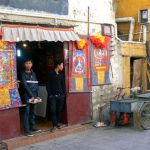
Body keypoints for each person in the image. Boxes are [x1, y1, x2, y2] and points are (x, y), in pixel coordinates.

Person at [21, 58, 41, 136]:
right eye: (26, 63)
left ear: (32, 64)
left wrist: (37, 95)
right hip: (27, 96)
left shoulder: (34, 73)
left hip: (34, 95)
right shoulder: (22, 74)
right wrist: (31, 96)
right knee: (26, 112)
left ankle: (32, 127)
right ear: (24, 64)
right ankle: (26, 130)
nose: (28, 64)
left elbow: (36, 84)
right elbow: (25, 85)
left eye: (29, 63)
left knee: (33, 112)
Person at [46, 60, 65, 132]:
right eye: (62, 65)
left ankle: (57, 123)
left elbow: (63, 85)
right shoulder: (50, 74)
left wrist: (63, 94)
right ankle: (54, 125)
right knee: (53, 110)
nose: (62, 67)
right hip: (53, 96)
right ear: (58, 65)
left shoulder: (61, 75)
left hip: (60, 96)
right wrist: (50, 95)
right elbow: (48, 85)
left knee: (59, 110)